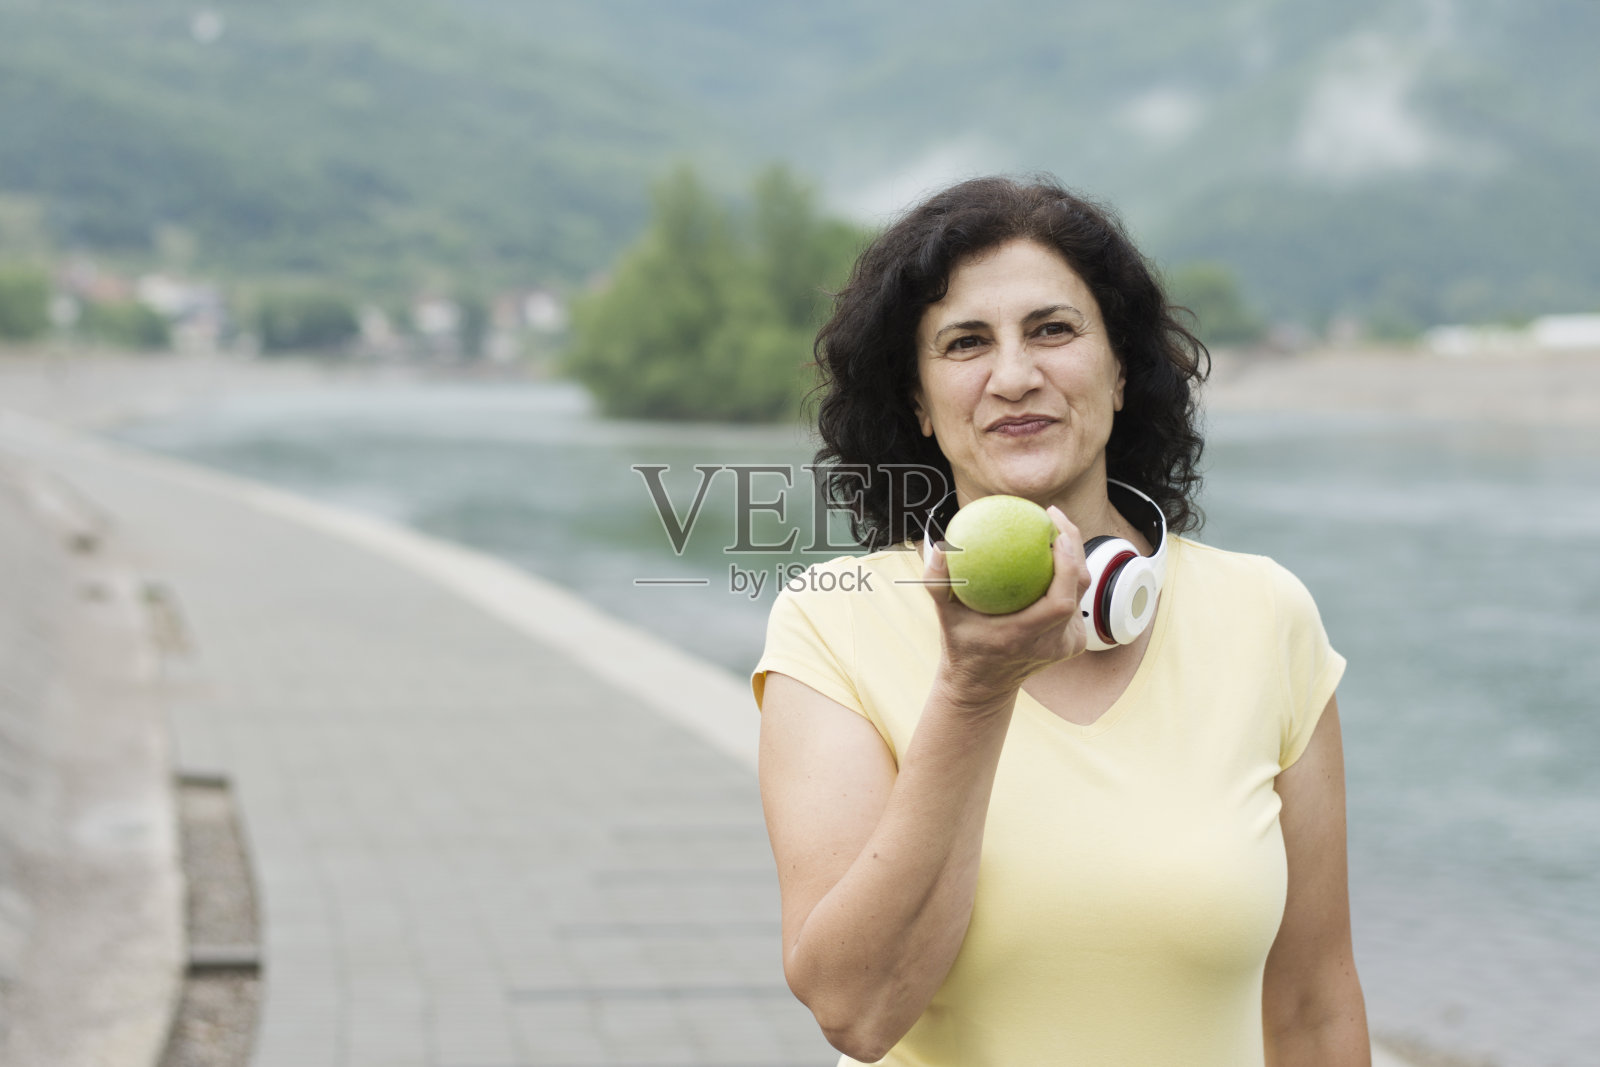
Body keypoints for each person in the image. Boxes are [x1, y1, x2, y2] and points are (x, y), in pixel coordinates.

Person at [751, 176, 1370, 1066]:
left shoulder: (1268, 615)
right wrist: (973, 691)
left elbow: (1312, 1004)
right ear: (920, 405)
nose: (1014, 375)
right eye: (966, 343)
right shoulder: (831, 625)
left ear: (1120, 371)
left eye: (1053, 329)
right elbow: (856, 1009)